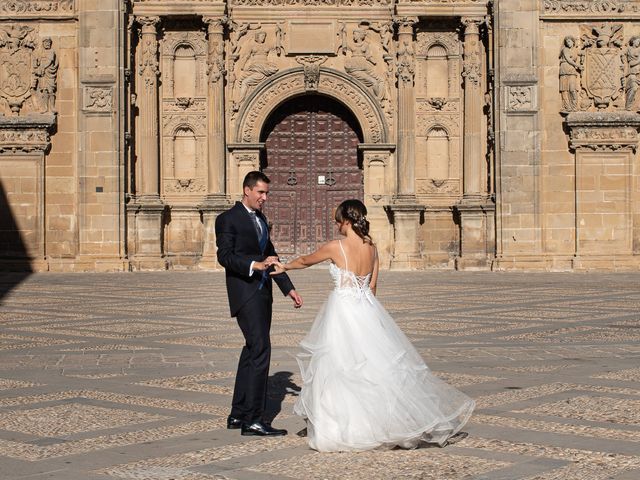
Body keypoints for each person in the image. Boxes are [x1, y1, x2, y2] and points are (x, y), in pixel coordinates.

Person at [270, 199, 475, 451]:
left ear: (346, 220)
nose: (335, 223)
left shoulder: (337, 247)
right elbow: (373, 286)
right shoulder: (372, 248)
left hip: (342, 310)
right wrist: (369, 315)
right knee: (372, 367)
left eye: (337, 219)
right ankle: (381, 423)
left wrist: (283, 266)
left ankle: (340, 426)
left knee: (339, 365)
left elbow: (304, 261)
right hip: (365, 307)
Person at [215, 171, 303, 436]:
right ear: (247, 190)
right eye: (260, 193)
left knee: (252, 350)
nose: (264, 198)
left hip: (264, 293)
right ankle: (254, 420)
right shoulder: (227, 219)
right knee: (261, 350)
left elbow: (270, 255)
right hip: (246, 293)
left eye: (266, 193)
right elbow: (225, 256)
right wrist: (254, 265)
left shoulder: (261, 219)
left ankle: (238, 414)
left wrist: (288, 288)